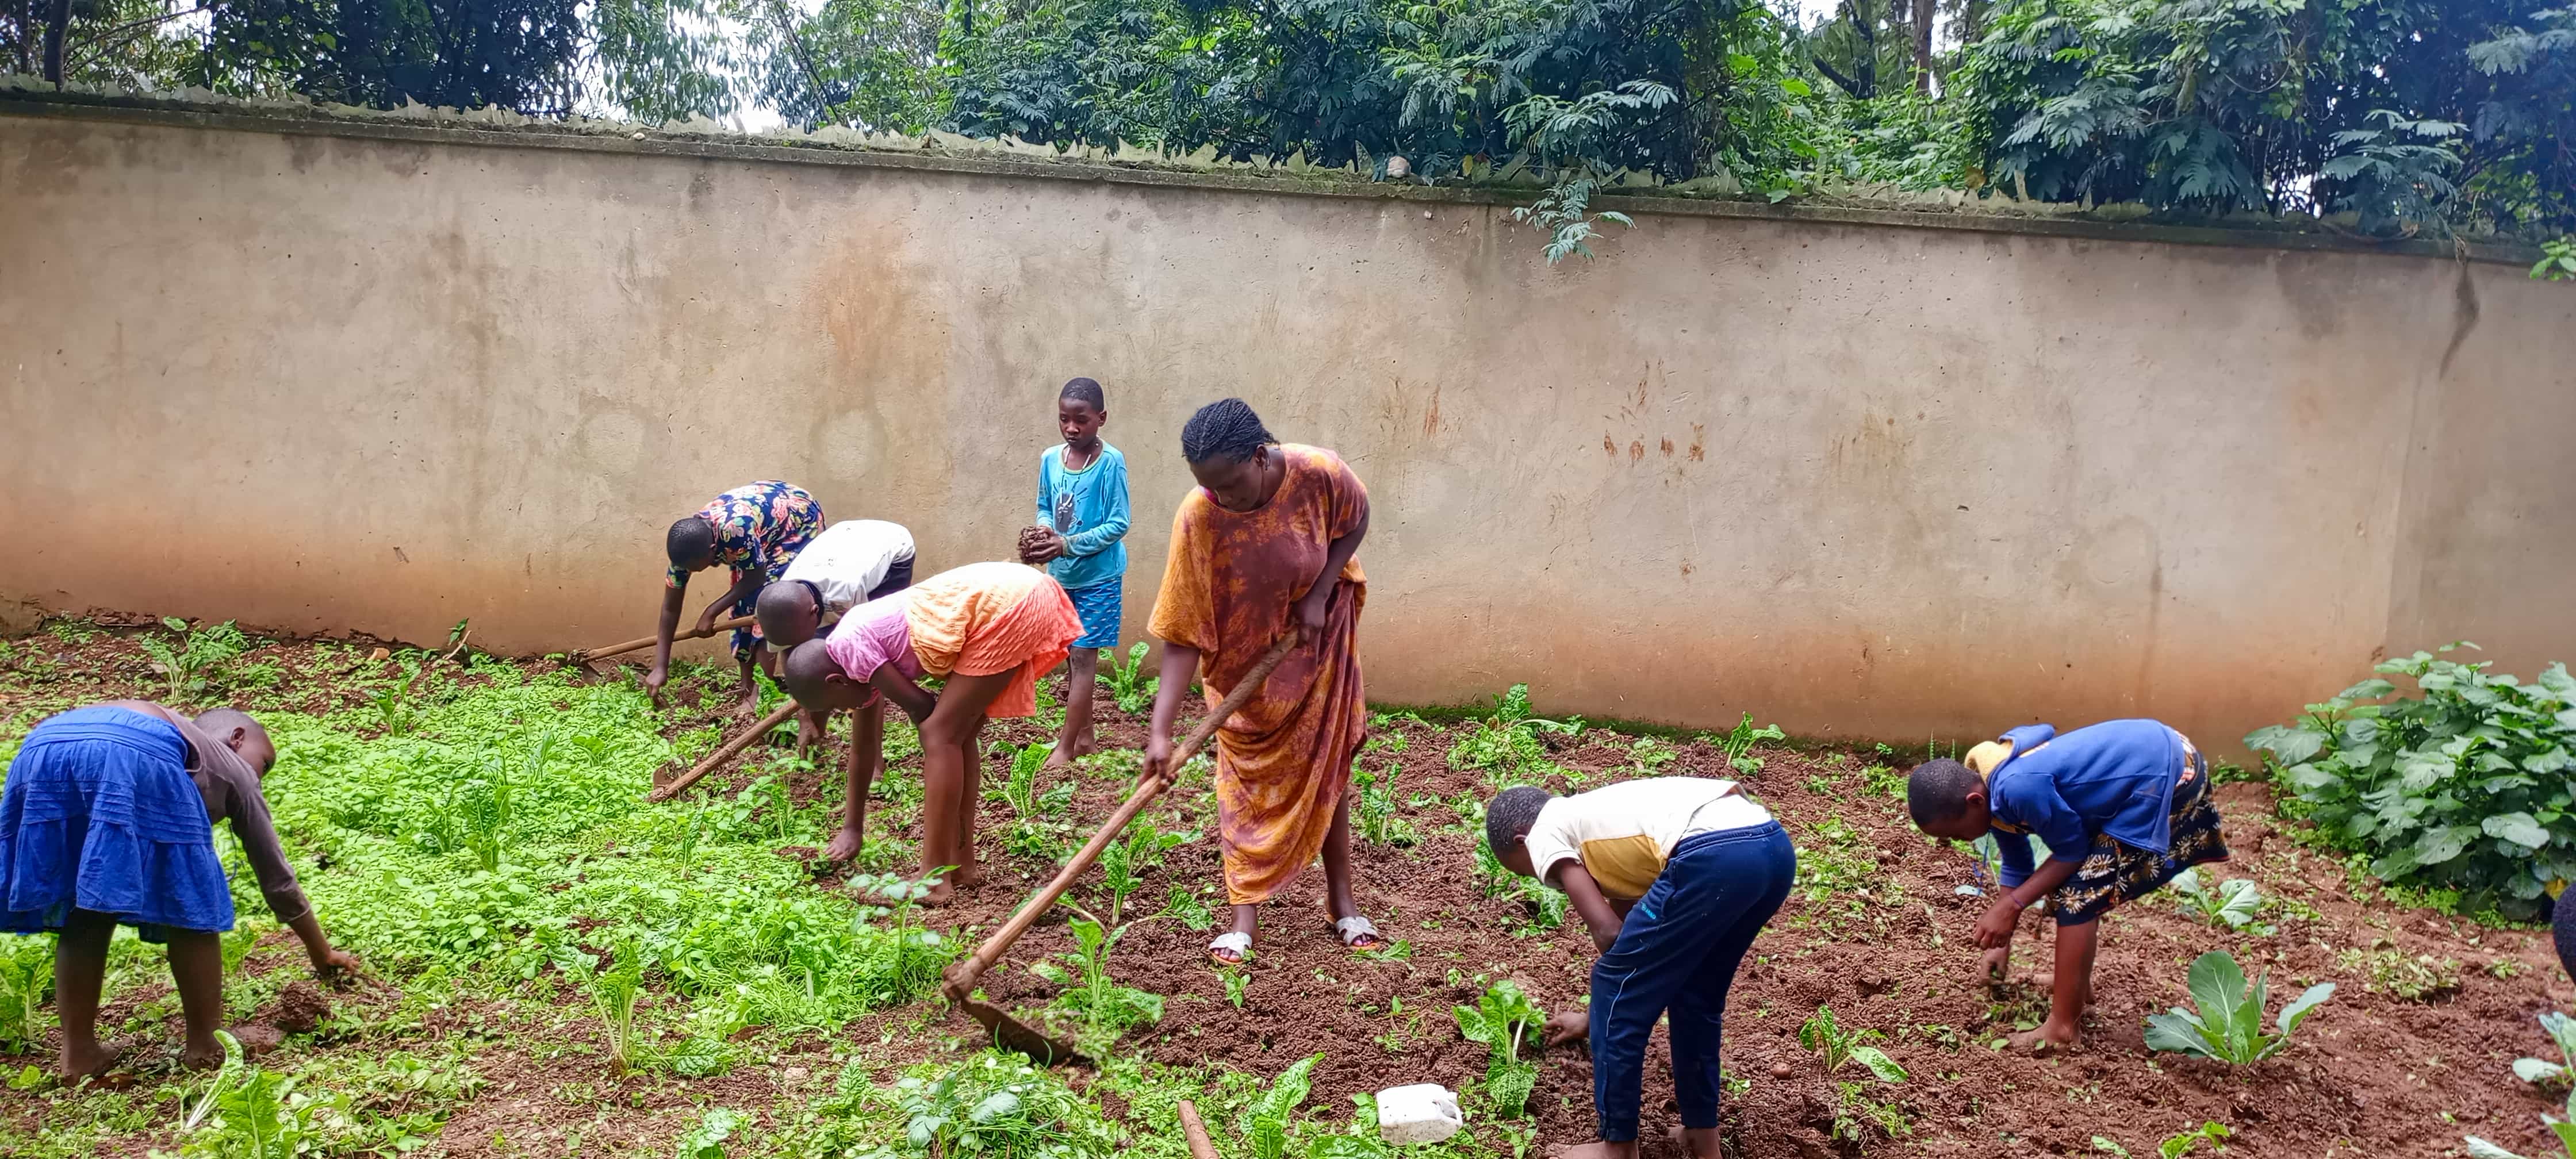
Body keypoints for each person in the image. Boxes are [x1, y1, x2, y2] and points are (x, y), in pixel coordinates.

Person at [1138, 398, 1384, 964]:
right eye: (1208, 486)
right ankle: (1243, 917)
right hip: (1243, 669)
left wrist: (1320, 591)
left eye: (1230, 485)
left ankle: (1342, 902)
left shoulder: (1318, 473)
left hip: (1316, 643)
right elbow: (1181, 631)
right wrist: (1161, 731)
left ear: (1258, 455)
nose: (1221, 498)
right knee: (1243, 786)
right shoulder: (1198, 517)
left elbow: (1357, 518)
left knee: (1326, 766)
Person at [0, 703, 361, 1080]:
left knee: (89, 904)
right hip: (132, 746)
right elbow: (276, 875)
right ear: (237, 739)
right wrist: (322, 952)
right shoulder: (231, 764)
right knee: (192, 899)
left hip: (42, 746)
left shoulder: (184, 743)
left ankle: (79, 1054)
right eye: (265, 765)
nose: (260, 779)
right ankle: (206, 1045)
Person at [1481, 778, 1794, 1159]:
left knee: (1612, 984)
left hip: (1713, 854)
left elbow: (1609, 933)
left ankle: (1617, 1148)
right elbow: (1633, 931)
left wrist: (1609, 1003)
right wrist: (1594, 1018)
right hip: (1770, 847)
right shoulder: (1599, 825)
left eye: (1529, 873)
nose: (1543, 877)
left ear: (1522, 842)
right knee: (1695, 993)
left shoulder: (1544, 831)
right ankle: (1702, 1139)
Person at [1907, 718, 2229, 1051]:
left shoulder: (2017, 787)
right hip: (2158, 754)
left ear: (1975, 801)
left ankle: (2062, 1029)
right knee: (2076, 883)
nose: (1956, 841)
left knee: (2078, 892)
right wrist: (2000, 944)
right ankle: (2075, 986)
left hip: (2168, 774)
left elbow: (2072, 852)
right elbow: (2017, 863)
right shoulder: (1992, 789)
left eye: (1955, 833)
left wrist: (2012, 906)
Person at [777, 561, 1083, 897]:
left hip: (1007, 603)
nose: (845, 711)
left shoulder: (850, 646)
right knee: (957, 734)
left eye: (838, 706)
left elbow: (921, 706)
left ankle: (933, 880)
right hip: (1024, 592)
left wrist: (933, 730)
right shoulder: (854, 659)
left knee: (939, 734)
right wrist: (853, 827)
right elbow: (863, 748)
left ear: (836, 681)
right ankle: (962, 865)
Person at [1020, 378, 1130, 770]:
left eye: (1081, 420)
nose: (1071, 428)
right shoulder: (1051, 459)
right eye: (1064, 419)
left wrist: (1067, 544)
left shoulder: (1111, 462)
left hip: (1099, 578)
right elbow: (1045, 505)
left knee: (1084, 659)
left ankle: (1065, 748)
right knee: (1070, 657)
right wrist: (1045, 531)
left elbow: (1119, 523)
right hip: (1062, 577)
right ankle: (1085, 738)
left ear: (1101, 418)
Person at [649, 481, 823, 716]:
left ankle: (761, 693)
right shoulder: (685, 551)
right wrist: (660, 667)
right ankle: (746, 686)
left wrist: (711, 612)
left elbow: (756, 577)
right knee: (742, 605)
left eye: (696, 568)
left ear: (713, 549)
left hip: (797, 520)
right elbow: (670, 609)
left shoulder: (736, 531)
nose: (690, 572)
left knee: (767, 607)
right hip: (760, 527)